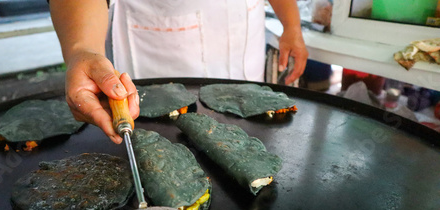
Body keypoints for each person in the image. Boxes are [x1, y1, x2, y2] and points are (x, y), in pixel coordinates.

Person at [49, 0, 308, 144]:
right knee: (161, 148)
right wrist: (81, 49)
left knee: (248, 145)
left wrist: (291, 24)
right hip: (158, 47)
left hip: (245, 40)